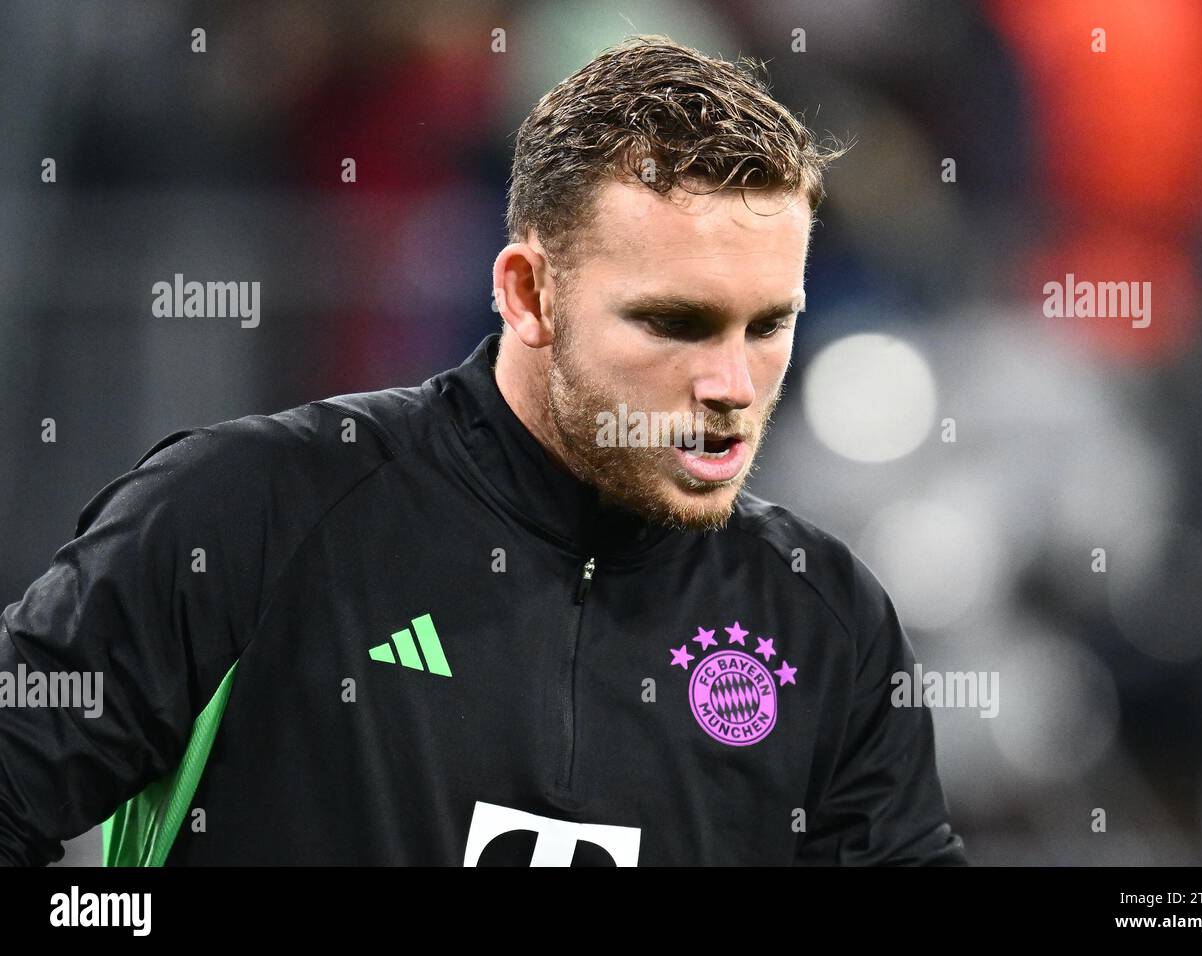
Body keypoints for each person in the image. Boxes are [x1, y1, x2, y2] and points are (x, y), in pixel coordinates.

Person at [0, 34, 966, 866]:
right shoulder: (243, 515)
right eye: (675, 323)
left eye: (768, 325)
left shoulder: (823, 623)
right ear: (529, 295)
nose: (730, 385)